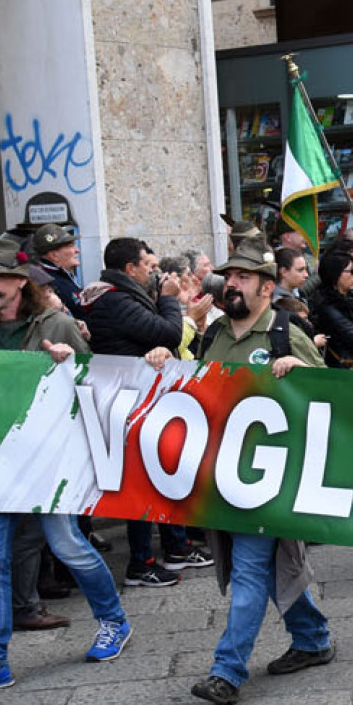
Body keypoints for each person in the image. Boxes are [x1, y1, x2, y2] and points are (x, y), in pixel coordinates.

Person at [148, 241, 342, 705]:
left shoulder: (284, 331)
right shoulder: (214, 333)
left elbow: (333, 395)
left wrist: (302, 369)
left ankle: (227, 671)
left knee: (250, 568)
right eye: (230, 276)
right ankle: (312, 638)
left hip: (272, 477)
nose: (231, 284)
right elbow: (195, 389)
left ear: (267, 287)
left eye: (243, 277)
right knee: (266, 565)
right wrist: (165, 361)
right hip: (225, 475)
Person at [0, 268, 134, 694]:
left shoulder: (56, 323)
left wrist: (69, 360)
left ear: (18, 282)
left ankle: (113, 621)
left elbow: (91, 383)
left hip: (46, 458)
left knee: (68, 546)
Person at [82, 236, 208, 587]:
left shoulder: (125, 296)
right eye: (148, 266)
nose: (155, 273)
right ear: (130, 268)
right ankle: (142, 562)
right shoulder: (115, 301)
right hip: (129, 402)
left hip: (142, 398)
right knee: (140, 482)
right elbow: (167, 333)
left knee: (161, 472)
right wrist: (168, 300)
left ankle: (175, 546)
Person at [29, 223, 86, 321]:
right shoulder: (46, 282)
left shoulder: (60, 275)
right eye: (71, 246)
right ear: (54, 255)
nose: (77, 250)